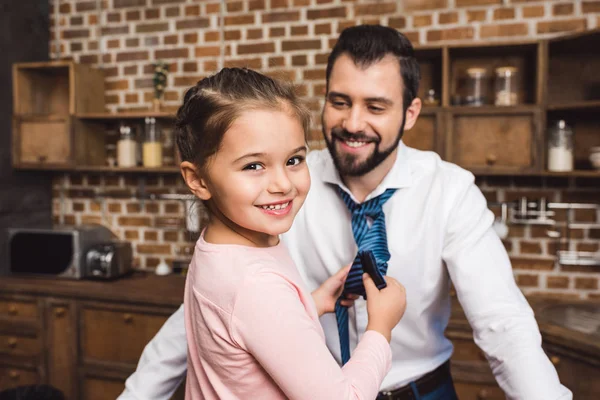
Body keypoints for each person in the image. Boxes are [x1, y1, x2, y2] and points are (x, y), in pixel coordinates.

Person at [119, 25, 572, 400]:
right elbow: (208, 316)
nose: (353, 123)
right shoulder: (283, 190)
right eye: (340, 102)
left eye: (375, 106)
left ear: (410, 113)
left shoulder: (449, 190)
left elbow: (502, 323)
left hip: (420, 390)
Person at [168, 67, 407, 399]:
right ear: (198, 180)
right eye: (254, 166)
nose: (283, 184)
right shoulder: (257, 286)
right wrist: (381, 327)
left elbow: (244, 328)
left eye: (294, 160)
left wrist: (311, 304)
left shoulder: (220, 248)